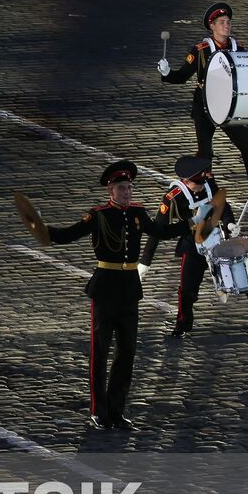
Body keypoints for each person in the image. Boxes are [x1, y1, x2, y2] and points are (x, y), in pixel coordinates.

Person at [45, 161, 189, 430]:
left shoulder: (138, 213)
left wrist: (189, 224)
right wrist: (43, 230)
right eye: (122, 188)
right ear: (110, 190)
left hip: (129, 290)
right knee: (99, 351)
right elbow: (70, 234)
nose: (127, 192)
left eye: (130, 187)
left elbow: (160, 231)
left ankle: (116, 410)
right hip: (105, 288)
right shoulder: (98, 215)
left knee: (127, 352)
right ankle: (98, 411)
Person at [140, 155, 248, 336]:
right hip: (192, 246)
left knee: (247, 276)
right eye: (198, 184)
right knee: (187, 290)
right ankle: (182, 326)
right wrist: (145, 262)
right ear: (187, 181)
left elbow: (223, 207)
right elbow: (159, 231)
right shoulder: (173, 197)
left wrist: (229, 225)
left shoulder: (208, 182)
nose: (203, 186)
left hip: (217, 241)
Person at [158, 2, 248, 208]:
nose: (226, 25)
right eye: (221, 22)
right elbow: (183, 76)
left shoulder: (238, 48)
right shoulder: (201, 50)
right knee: (205, 155)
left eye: (228, 22)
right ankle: (208, 195)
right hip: (204, 108)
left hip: (229, 107)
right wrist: (167, 74)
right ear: (212, 26)